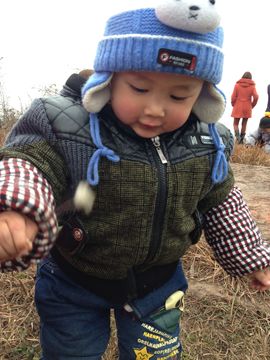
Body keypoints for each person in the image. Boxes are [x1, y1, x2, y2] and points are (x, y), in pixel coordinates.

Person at [0, 1, 269, 359]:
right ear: (109, 79)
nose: (155, 109)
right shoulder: (69, 125)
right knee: (70, 352)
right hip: (74, 277)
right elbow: (30, 163)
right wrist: (17, 209)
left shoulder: (207, 143)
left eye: (178, 95)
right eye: (139, 89)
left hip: (158, 284)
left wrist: (253, 257)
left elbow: (221, 202)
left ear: (202, 94)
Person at [231, 71, 259, 144]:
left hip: (238, 105)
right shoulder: (252, 86)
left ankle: (237, 138)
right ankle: (241, 140)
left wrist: (233, 104)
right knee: (244, 123)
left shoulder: (237, 85)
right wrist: (252, 105)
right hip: (247, 107)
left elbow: (233, 96)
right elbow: (256, 96)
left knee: (235, 124)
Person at [245, 84, 270, 153]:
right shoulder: (261, 128)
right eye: (263, 129)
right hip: (268, 113)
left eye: (266, 129)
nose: (264, 130)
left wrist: (263, 151)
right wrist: (249, 144)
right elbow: (252, 136)